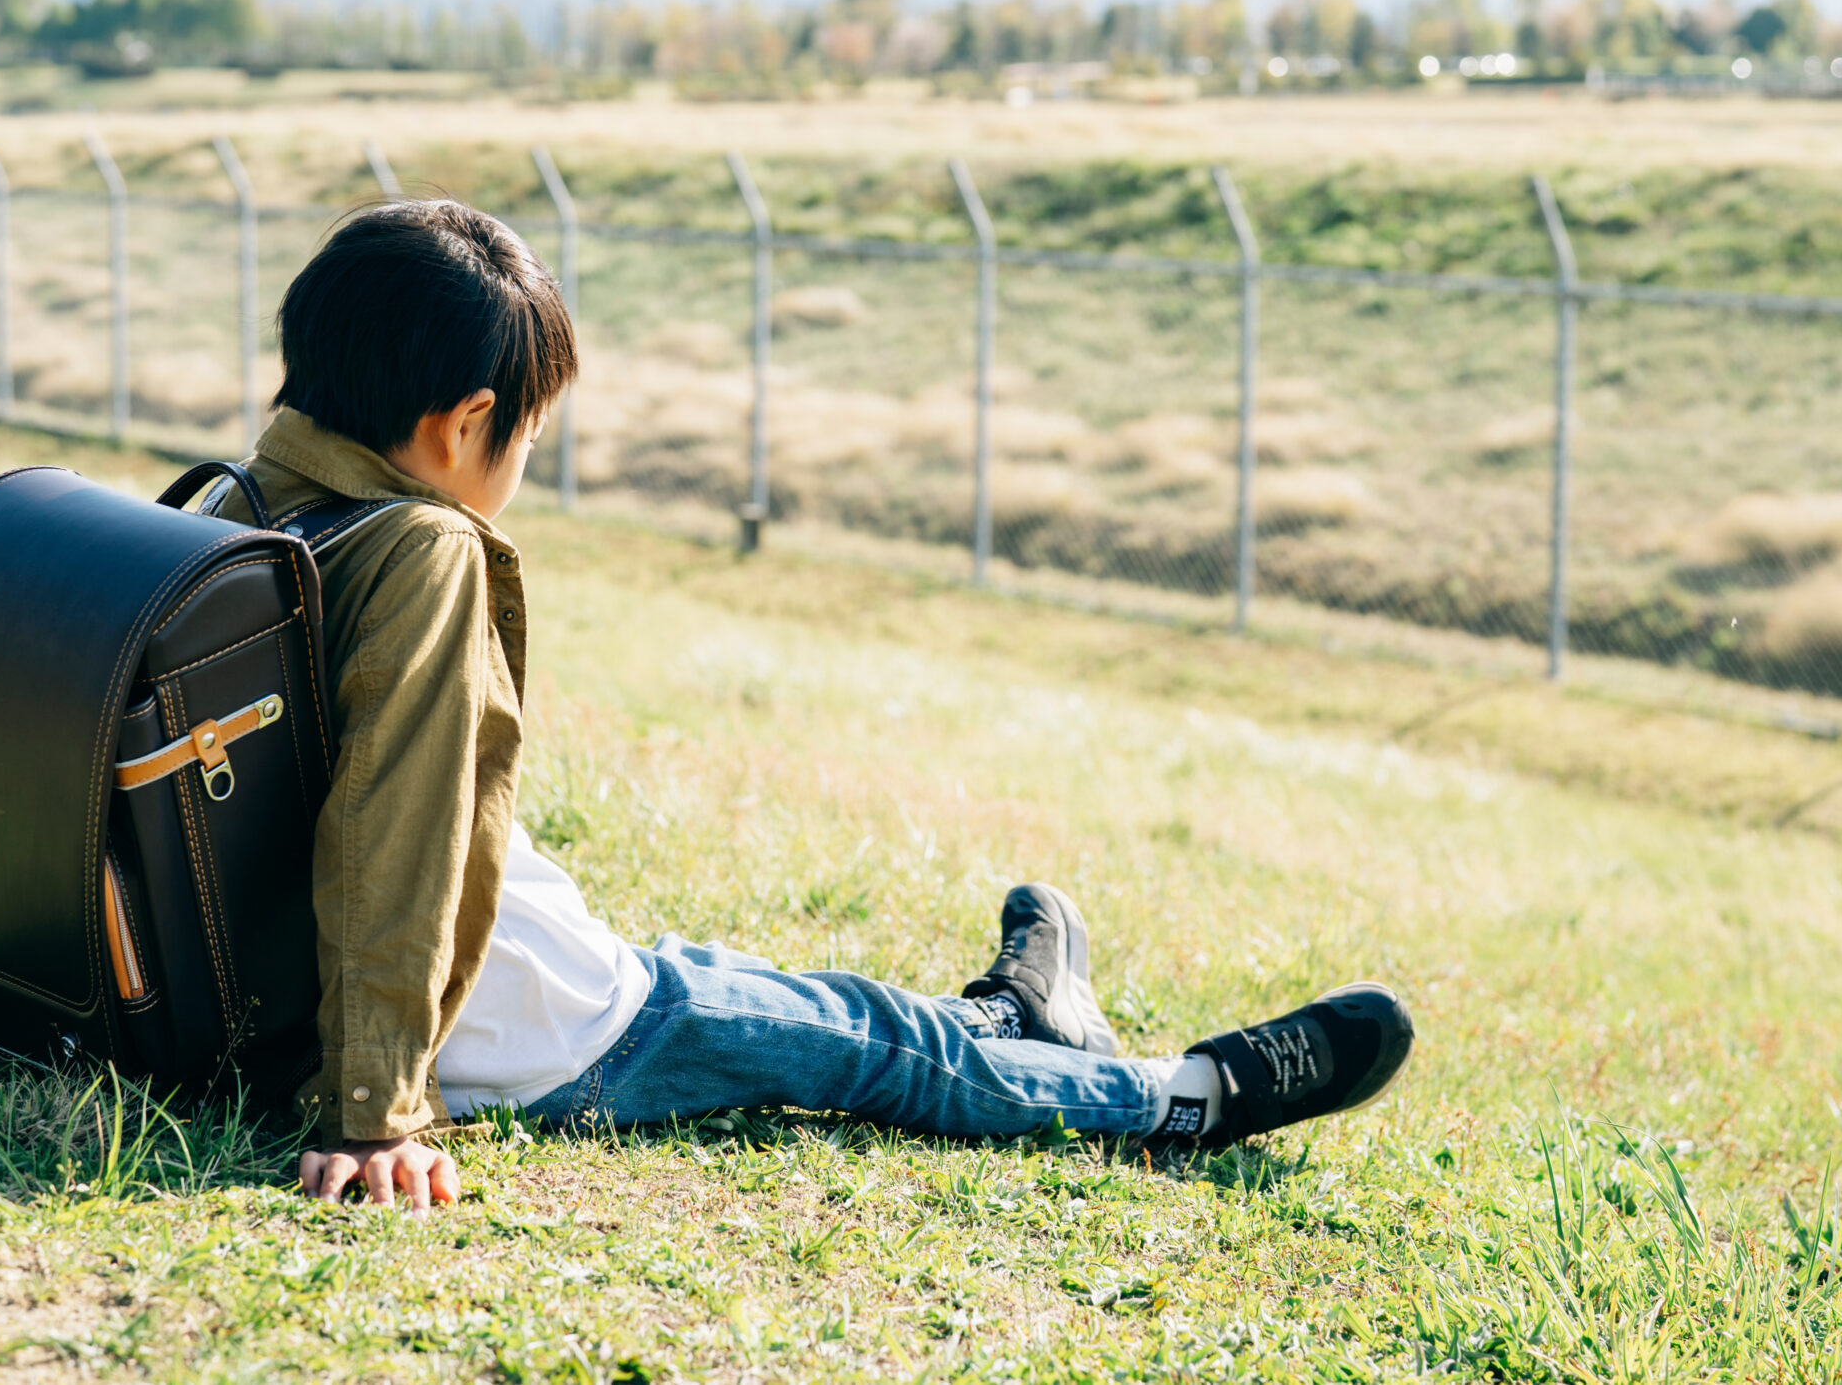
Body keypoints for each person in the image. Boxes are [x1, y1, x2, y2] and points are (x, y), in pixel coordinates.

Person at [231, 199, 1416, 1210]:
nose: (524, 458)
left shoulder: (229, 514)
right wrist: (375, 1108)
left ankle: (1016, 1014)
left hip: (480, 982)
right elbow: (400, 821)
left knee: (802, 1003)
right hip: (548, 1029)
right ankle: (1188, 1093)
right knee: (872, 1052)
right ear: (463, 426)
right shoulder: (426, 550)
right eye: (528, 433)